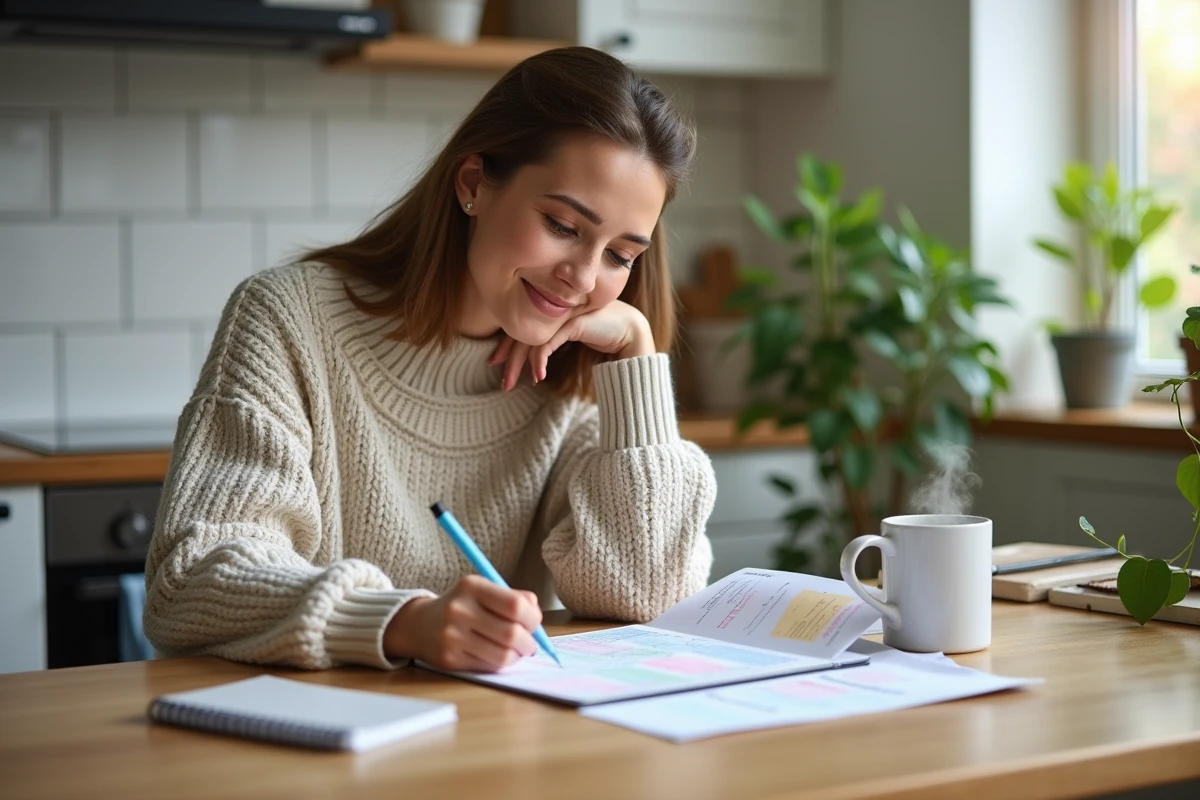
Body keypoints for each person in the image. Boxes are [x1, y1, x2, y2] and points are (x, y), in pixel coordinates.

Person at [142, 46, 716, 674]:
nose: (582, 279)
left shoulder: (578, 372)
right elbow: (192, 581)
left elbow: (646, 599)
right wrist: (401, 623)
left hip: (493, 744)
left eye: (620, 256)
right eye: (562, 225)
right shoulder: (291, 318)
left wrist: (635, 356)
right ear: (473, 184)